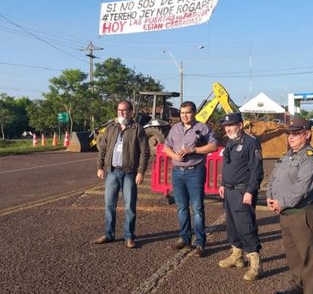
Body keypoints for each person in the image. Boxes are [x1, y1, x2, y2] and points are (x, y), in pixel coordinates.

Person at [266, 117, 313, 294]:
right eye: (289, 134)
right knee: (293, 255)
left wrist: (281, 201)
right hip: (286, 214)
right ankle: (297, 287)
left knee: (310, 258)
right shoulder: (287, 156)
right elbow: (273, 178)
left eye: (296, 133)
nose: (291, 137)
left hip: (304, 214)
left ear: (307, 134)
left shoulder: (311, 158)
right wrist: (270, 197)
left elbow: (303, 187)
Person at [163, 101, 217, 257]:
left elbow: (213, 146)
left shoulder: (203, 128)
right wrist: (174, 156)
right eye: (182, 113)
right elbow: (167, 146)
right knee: (181, 207)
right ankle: (184, 238)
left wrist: (192, 149)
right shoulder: (175, 129)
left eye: (187, 112)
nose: (184, 115)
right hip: (177, 172)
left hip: (195, 172)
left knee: (198, 208)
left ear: (194, 113)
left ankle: (200, 243)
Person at [94, 100, 150, 249]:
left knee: (129, 206)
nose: (122, 113)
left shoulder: (137, 129)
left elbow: (145, 152)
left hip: (129, 173)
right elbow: (103, 149)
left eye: (125, 111)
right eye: (120, 111)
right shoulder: (111, 128)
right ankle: (108, 234)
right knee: (109, 205)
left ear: (131, 112)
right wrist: (100, 167)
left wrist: (140, 172)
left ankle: (129, 236)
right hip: (112, 172)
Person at [217, 112, 265, 281]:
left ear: (240, 125)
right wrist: (223, 184)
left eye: (231, 125)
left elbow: (257, 170)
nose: (228, 128)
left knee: (246, 225)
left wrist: (250, 191)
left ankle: (255, 263)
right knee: (231, 225)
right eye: (226, 126)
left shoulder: (251, 143)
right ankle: (237, 256)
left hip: (242, 191)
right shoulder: (230, 142)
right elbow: (228, 165)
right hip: (229, 191)